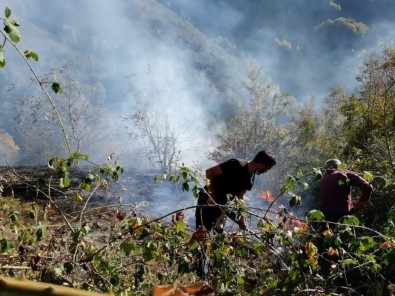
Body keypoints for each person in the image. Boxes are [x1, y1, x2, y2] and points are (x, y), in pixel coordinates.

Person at [195, 150, 276, 233]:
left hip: (221, 208)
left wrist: (242, 219)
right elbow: (210, 172)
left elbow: (240, 197)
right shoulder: (236, 164)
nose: (266, 171)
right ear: (261, 165)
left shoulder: (251, 179)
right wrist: (210, 196)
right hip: (207, 202)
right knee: (201, 233)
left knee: (218, 235)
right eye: (267, 169)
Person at [319, 159, 373, 224]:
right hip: (342, 216)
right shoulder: (345, 174)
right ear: (340, 167)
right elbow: (368, 187)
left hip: (325, 216)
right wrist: (357, 206)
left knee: (326, 233)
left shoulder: (323, 179)